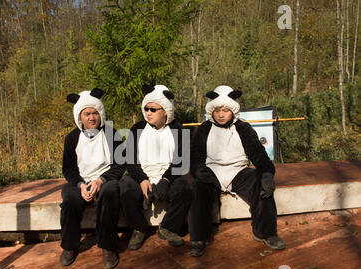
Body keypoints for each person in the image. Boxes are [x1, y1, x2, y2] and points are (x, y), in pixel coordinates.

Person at [188, 85, 286, 257]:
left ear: (233, 110)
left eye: (225, 110)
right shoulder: (204, 129)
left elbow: (259, 154)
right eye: (217, 110)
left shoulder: (244, 128)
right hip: (212, 171)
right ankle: (198, 238)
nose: (221, 114)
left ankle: (266, 232)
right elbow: (195, 156)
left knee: (261, 185)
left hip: (238, 171)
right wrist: (197, 170)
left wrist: (267, 174)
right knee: (199, 189)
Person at [119, 84, 193, 250]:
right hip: (142, 175)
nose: (148, 113)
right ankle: (138, 228)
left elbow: (181, 161)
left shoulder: (178, 129)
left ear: (165, 110)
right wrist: (142, 179)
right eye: (146, 108)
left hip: (169, 176)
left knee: (185, 188)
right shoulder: (137, 128)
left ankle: (168, 227)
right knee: (125, 188)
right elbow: (130, 160)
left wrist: (166, 180)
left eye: (153, 109)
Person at [60, 88, 125, 269]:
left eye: (95, 113)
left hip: (105, 180)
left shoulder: (112, 134)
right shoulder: (71, 138)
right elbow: (68, 169)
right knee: (69, 198)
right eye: (87, 113)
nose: (91, 117)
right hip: (81, 181)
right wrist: (81, 184)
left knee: (111, 193)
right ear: (79, 116)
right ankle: (69, 246)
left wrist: (100, 181)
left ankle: (108, 246)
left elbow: (120, 164)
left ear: (101, 113)